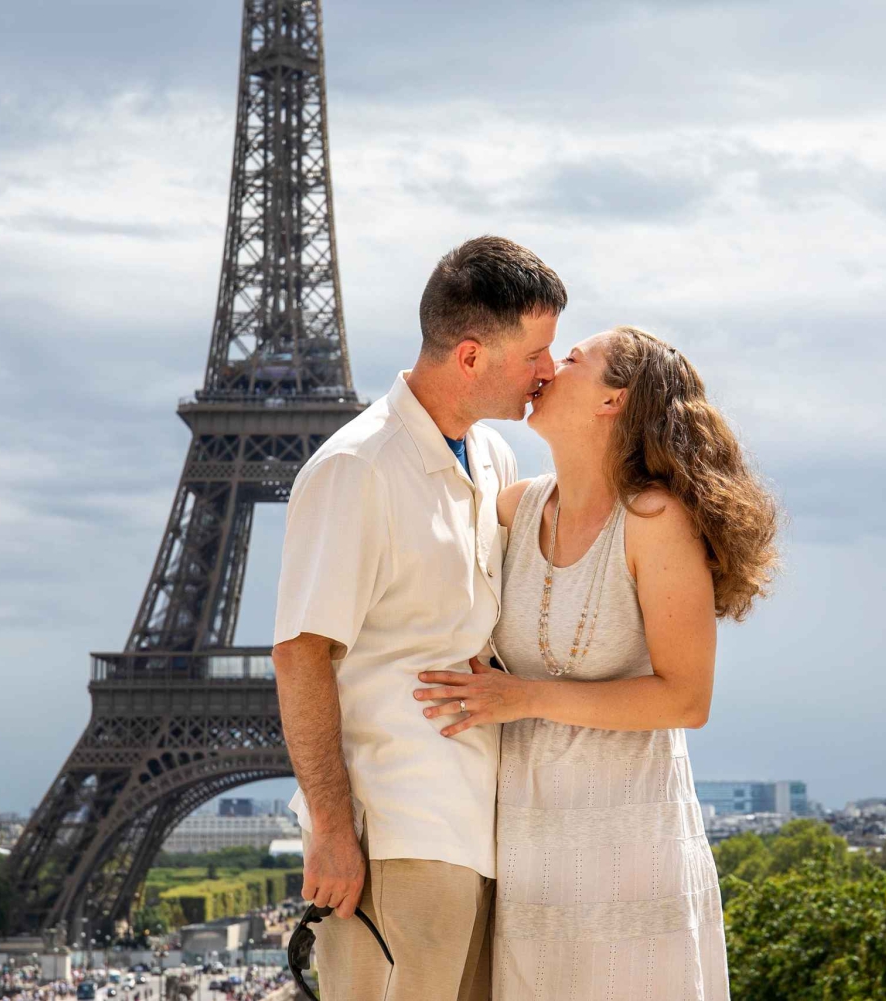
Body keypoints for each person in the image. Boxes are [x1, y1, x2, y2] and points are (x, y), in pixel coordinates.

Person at [412, 325, 782, 998]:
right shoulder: (515, 508)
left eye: (572, 358)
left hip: (631, 850)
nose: (547, 368)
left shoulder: (655, 520)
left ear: (614, 400)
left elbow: (686, 699)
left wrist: (524, 698)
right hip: (529, 854)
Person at [271, 235, 566, 1000]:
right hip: (396, 829)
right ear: (470, 356)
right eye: (536, 353)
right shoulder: (355, 468)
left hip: (481, 827)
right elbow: (301, 653)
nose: (549, 370)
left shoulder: (494, 459)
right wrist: (333, 829)